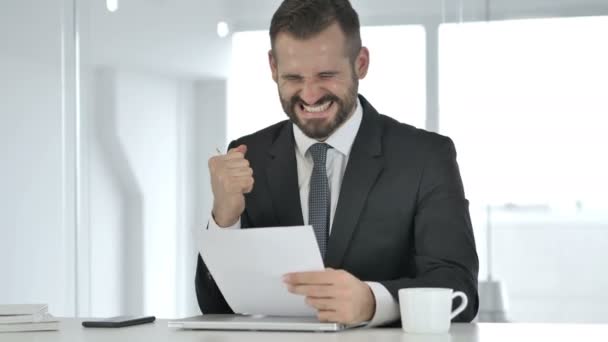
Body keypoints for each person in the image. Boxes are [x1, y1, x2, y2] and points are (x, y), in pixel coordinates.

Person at [195, 0, 479, 327]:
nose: (311, 95)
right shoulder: (248, 156)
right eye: (293, 77)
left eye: (326, 75)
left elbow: (460, 290)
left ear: (361, 63)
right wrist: (224, 219)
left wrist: (373, 301)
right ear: (273, 67)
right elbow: (214, 307)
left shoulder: (425, 157)